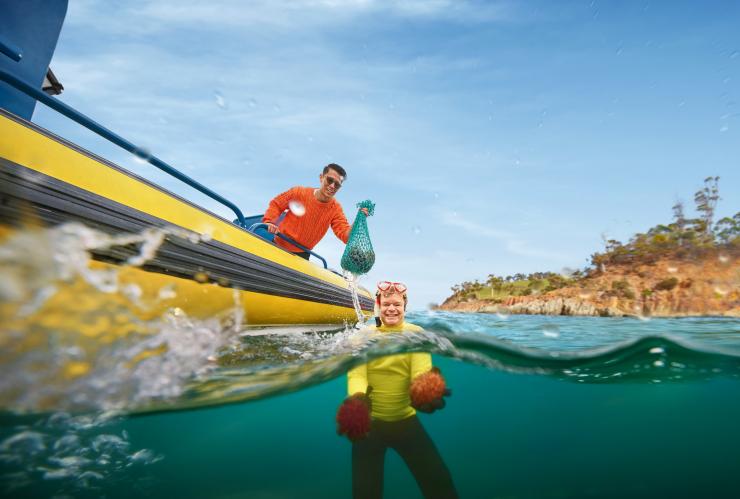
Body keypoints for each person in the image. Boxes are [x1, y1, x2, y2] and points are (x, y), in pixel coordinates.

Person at [338, 282, 457, 499]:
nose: (391, 309)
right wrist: (357, 400)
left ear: (405, 306)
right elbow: (357, 374)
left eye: (397, 304)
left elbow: (421, 370)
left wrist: (425, 389)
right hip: (369, 431)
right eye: (386, 304)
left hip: (407, 424)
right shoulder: (362, 336)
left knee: (441, 487)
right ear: (378, 305)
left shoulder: (416, 334)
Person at [262, 163, 366, 260]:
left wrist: (359, 219)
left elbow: (346, 236)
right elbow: (276, 204)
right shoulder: (299, 192)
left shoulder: (336, 209)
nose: (332, 186)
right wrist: (269, 222)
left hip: (302, 255)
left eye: (337, 185)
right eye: (330, 180)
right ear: (321, 178)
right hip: (278, 245)